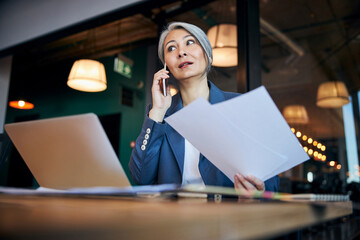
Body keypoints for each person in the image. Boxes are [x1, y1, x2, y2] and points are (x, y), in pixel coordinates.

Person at [129, 22, 279, 192]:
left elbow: (270, 181)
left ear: (207, 54)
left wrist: (254, 193)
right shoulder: (161, 116)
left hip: (228, 214)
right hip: (173, 216)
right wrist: (157, 111)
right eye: (171, 48)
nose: (181, 52)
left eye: (190, 42)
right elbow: (140, 176)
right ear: (166, 66)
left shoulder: (241, 106)